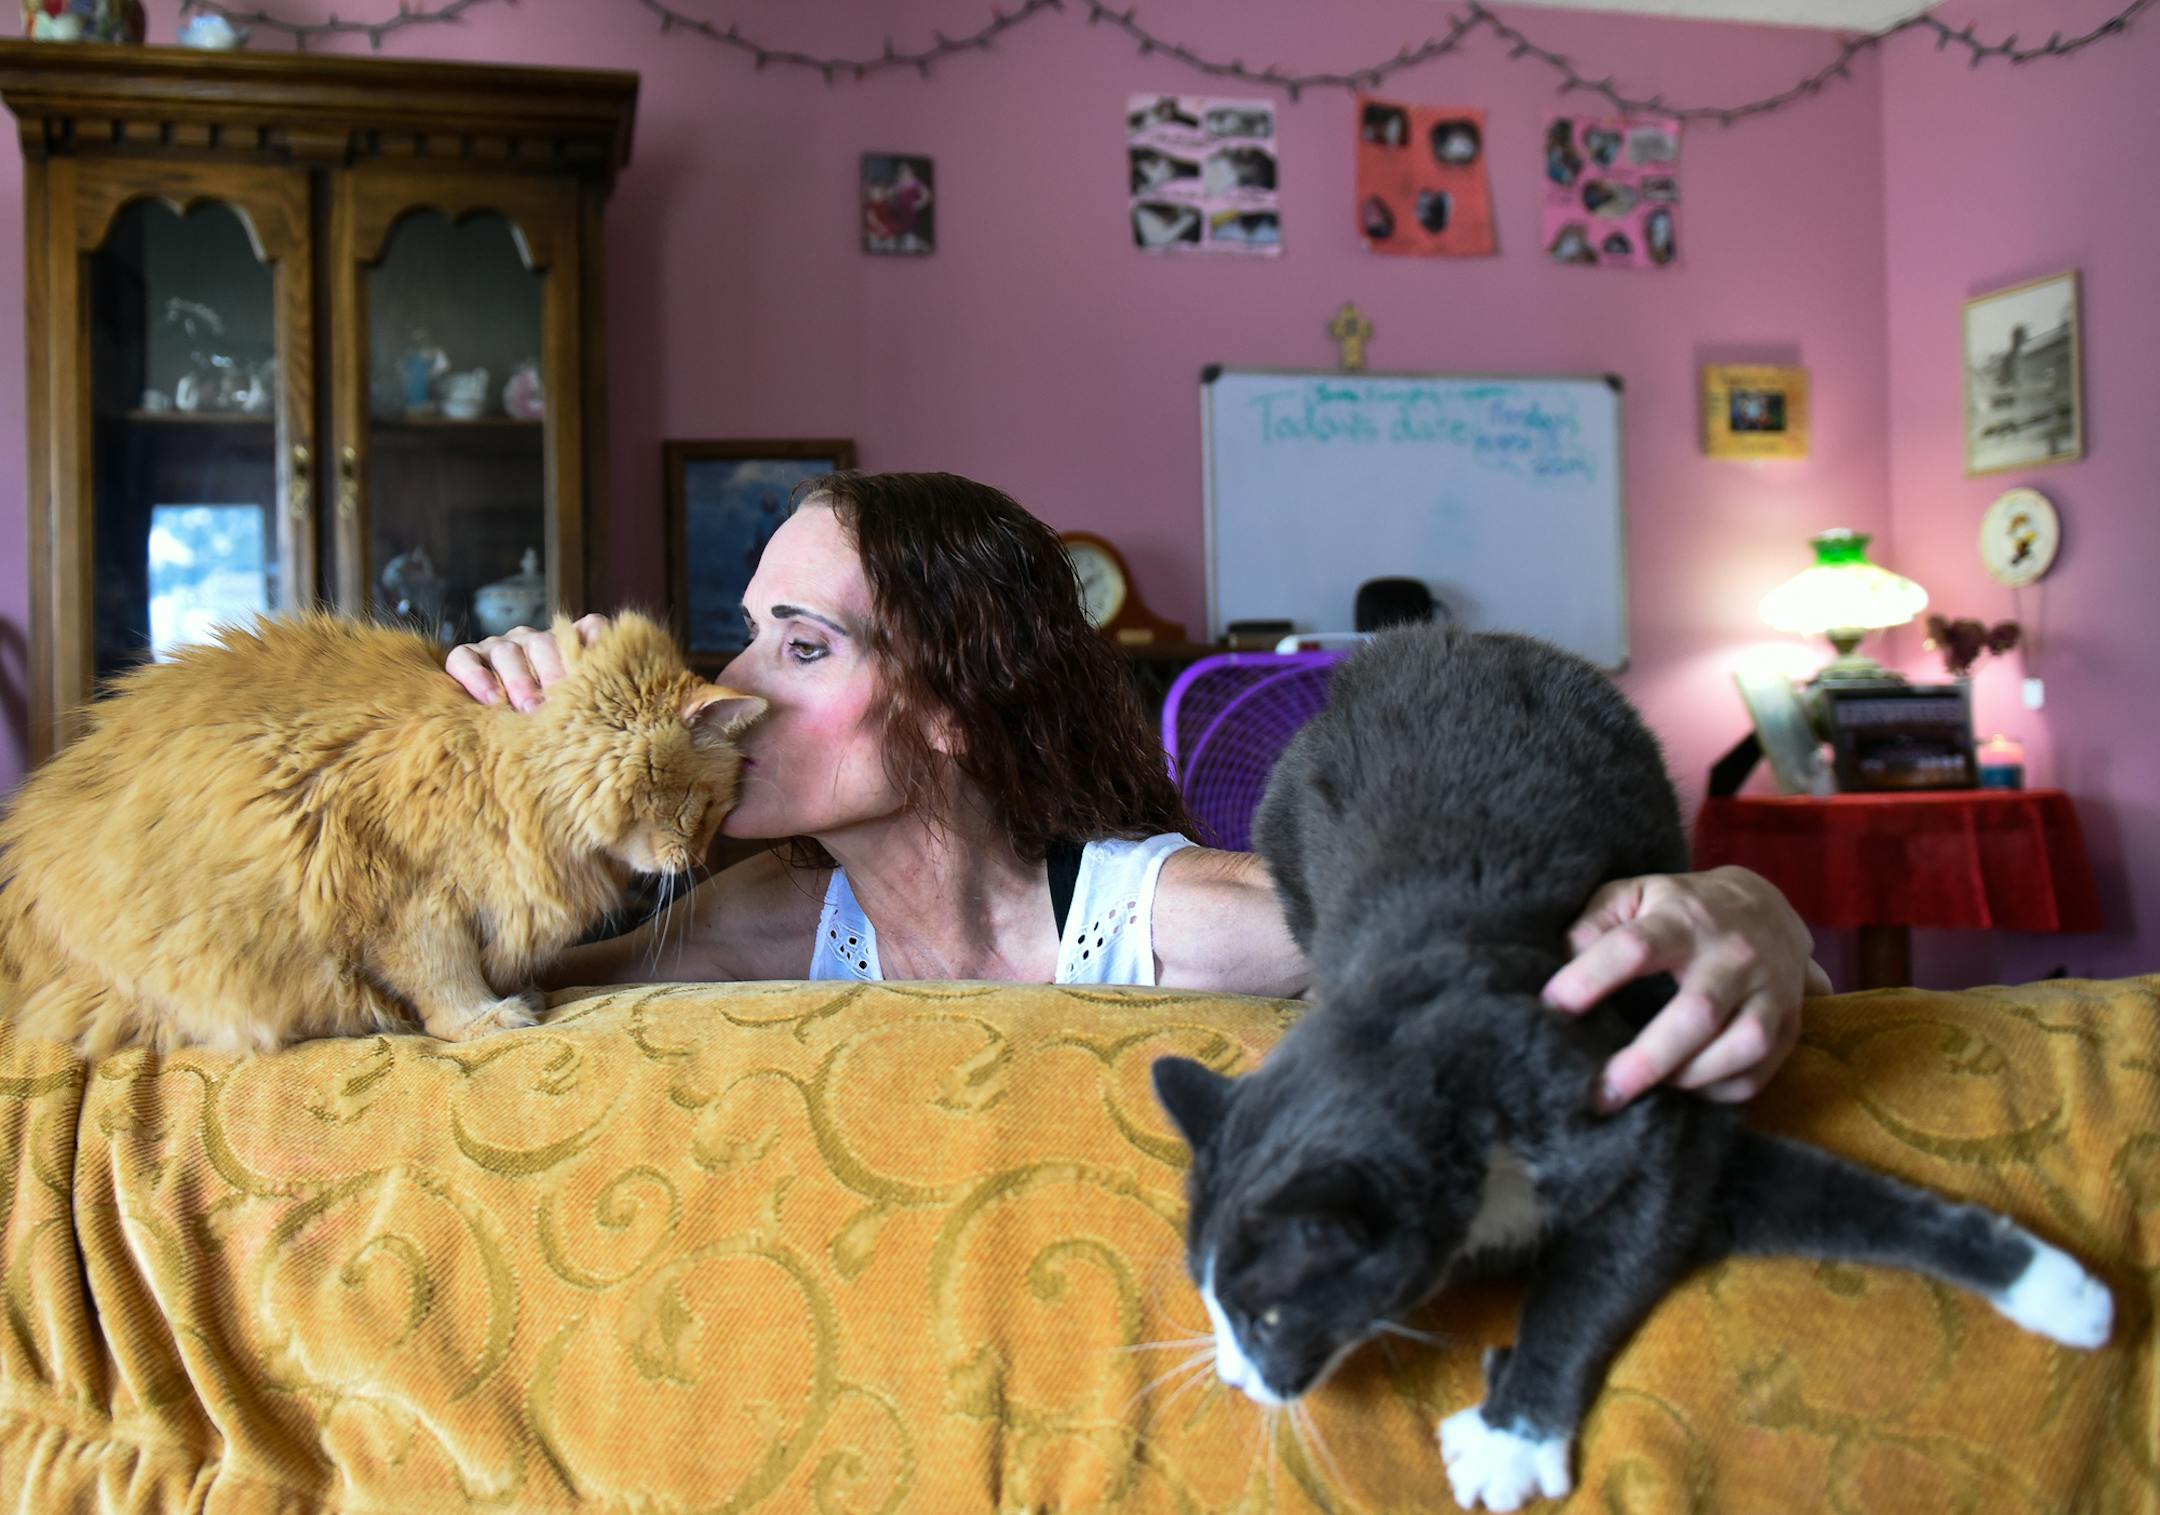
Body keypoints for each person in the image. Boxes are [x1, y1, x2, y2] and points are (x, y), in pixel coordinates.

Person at [446, 471, 1829, 1111]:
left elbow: (1534, 922)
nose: (721, 686)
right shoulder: (752, 928)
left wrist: (1741, 903)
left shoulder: (1170, 920)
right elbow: (437, 997)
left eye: (802, 646)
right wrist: (495, 768)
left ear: (946, 704)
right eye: (746, 630)